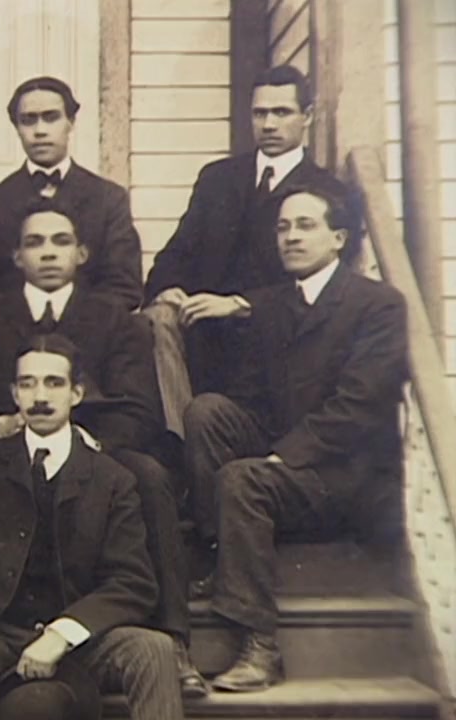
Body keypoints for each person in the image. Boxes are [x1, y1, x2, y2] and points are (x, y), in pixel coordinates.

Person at [0, 200, 204, 696]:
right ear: (16, 257)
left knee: (149, 475)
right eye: (34, 243)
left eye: (61, 242)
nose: (48, 253)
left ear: (82, 254)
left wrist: (83, 439)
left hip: (99, 449)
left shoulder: (117, 319)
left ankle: (174, 637)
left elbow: (140, 410)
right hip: (9, 451)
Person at [182, 185, 408, 692]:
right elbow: (250, 398)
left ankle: (260, 646)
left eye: (306, 225)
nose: (291, 237)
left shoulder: (377, 305)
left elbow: (359, 407)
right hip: (286, 463)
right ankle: (219, 554)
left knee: (242, 479)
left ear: (339, 237)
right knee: (207, 412)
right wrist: (267, 451)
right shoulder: (272, 306)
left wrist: (282, 456)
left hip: (342, 476)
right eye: (283, 227)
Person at [0, 333, 182, 720]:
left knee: (154, 649)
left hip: (82, 643)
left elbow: (133, 581)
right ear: (14, 394)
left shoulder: (111, 477)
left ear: (76, 394)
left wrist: (62, 633)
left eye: (54, 383)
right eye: (28, 384)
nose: (40, 396)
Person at [142, 65, 353, 437]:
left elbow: (327, 284)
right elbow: (176, 252)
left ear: (307, 117)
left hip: (274, 334)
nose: (268, 124)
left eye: (281, 112)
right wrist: (169, 289)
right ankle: (180, 441)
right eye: (260, 113)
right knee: (156, 318)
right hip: (205, 333)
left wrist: (241, 304)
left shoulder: (326, 190)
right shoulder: (218, 178)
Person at [0, 75, 143, 310]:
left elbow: (124, 285)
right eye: (28, 120)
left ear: (70, 122)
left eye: (51, 118)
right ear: (17, 128)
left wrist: (72, 323)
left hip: (90, 329)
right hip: (10, 328)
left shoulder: (108, 199)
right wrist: (23, 323)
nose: (40, 130)